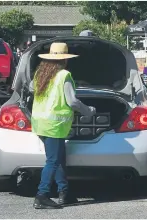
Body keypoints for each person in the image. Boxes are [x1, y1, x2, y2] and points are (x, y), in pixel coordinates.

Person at [30, 42, 96, 209]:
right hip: (54, 125)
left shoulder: (40, 73)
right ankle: (41, 195)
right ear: (65, 60)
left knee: (58, 159)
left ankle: (64, 193)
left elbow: (31, 89)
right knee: (53, 161)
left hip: (40, 123)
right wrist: (88, 111)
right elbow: (72, 101)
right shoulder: (64, 75)